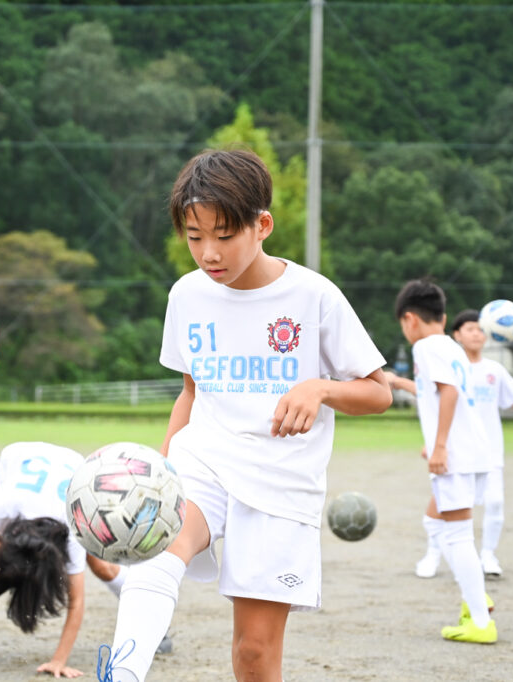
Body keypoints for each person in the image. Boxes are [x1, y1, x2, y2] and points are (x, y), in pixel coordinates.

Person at [98, 149, 392, 682]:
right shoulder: (186, 295)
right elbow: (190, 391)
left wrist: (320, 389)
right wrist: (162, 471)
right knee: (155, 555)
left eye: (224, 235)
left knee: (253, 655)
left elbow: (379, 393)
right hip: (204, 458)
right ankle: (121, 675)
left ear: (263, 226)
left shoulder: (313, 296)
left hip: (282, 479)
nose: (208, 252)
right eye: (194, 236)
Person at [0, 441, 127, 678]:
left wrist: (59, 660)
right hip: (16, 457)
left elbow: (75, 601)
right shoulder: (3, 506)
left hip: (76, 469)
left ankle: (146, 612)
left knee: (101, 566)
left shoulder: (75, 530)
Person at [388, 309, 513, 579]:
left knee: (494, 503)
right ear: (455, 334)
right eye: (469, 328)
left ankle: (488, 556)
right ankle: (433, 555)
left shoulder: (494, 370)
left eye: (480, 328)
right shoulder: (450, 362)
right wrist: (433, 443)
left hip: (488, 451)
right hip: (453, 450)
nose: (477, 333)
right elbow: (432, 395)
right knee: (445, 508)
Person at [394, 279, 497, 644]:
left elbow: (449, 392)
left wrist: (439, 446)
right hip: (472, 452)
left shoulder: (425, 348)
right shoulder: (449, 347)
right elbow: (437, 393)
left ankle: (481, 623)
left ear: (410, 320)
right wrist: (395, 381)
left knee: (457, 535)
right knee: (434, 521)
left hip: (456, 456)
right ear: (443, 316)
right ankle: (477, 596)